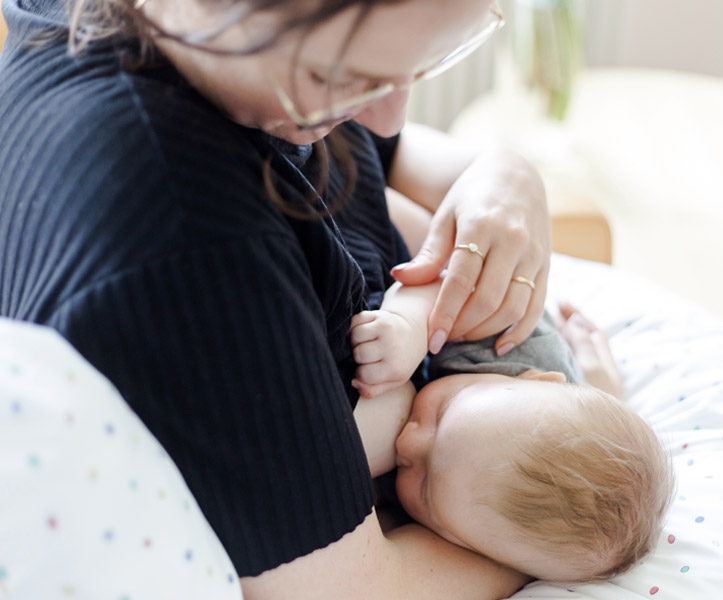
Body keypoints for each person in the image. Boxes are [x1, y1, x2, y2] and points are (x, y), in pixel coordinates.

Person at [0, 0, 554, 598]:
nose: (387, 117)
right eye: (342, 79)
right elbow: (355, 591)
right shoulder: (187, 241)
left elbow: (393, 153)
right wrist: (554, 535)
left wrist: (504, 173)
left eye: (422, 67)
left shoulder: (158, 38)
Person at [350, 277, 674, 584]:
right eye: (442, 412)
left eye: (425, 487)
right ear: (534, 378)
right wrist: (408, 325)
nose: (408, 442)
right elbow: (449, 281)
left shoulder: (479, 525)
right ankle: (591, 372)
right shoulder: (507, 343)